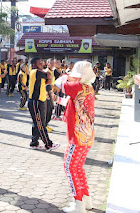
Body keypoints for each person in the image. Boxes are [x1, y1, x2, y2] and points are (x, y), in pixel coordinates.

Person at [54, 61, 96, 213]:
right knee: (77, 168)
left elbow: (58, 81)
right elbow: (73, 103)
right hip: (87, 135)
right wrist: (56, 100)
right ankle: (86, 200)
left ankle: (78, 204)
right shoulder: (88, 88)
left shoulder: (77, 87)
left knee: (69, 167)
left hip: (78, 136)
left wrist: (68, 76)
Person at [28, 57, 60, 151]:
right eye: (40, 63)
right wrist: (48, 75)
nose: (42, 64)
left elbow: (48, 82)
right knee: (40, 124)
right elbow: (49, 75)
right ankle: (48, 144)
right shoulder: (35, 72)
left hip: (41, 100)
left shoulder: (40, 74)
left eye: (42, 63)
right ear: (34, 64)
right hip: (35, 101)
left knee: (37, 123)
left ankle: (34, 143)